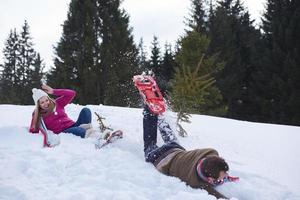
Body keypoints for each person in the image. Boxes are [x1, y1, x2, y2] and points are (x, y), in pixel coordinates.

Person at [143, 106, 235, 199]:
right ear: (210, 179)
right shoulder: (195, 182)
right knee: (150, 143)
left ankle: (158, 115)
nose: (226, 176)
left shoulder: (210, 152)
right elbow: (217, 196)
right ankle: (149, 113)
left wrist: (222, 174)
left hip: (175, 148)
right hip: (160, 157)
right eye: (222, 176)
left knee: (171, 139)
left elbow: (216, 164)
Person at [29, 84, 94, 138]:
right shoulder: (38, 114)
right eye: (42, 102)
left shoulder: (57, 103)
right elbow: (33, 130)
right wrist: (36, 115)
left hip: (74, 125)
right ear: (38, 105)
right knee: (78, 130)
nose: (46, 103)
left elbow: (72, 93)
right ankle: (93, 135)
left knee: (86, 111)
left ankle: (88, 131)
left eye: (46, 100)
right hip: (64, 132)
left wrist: (53, 91)